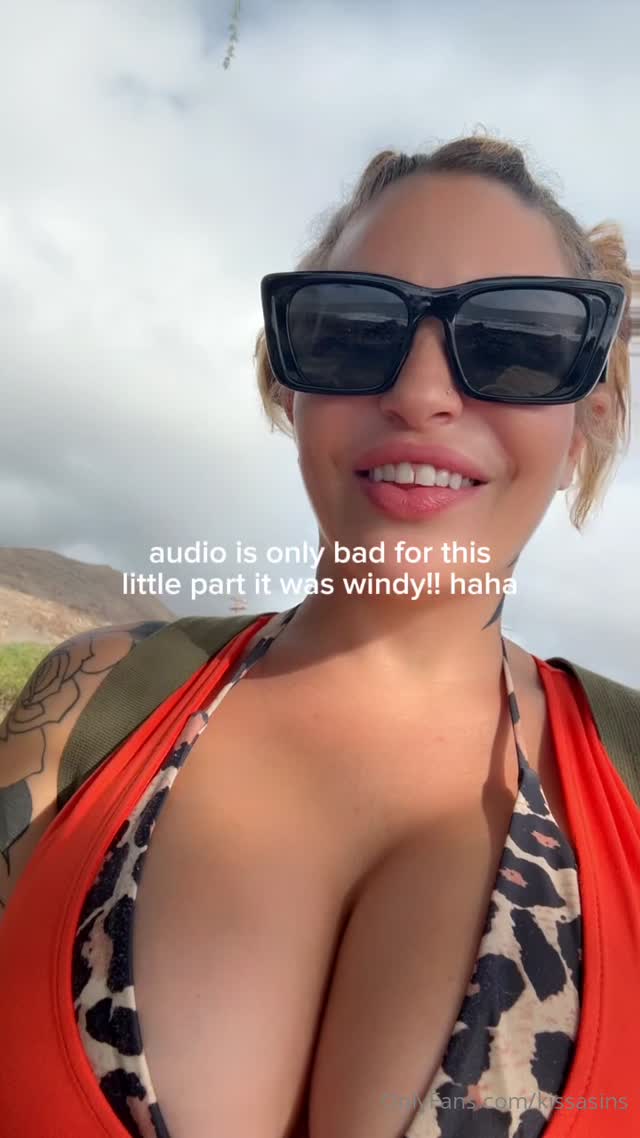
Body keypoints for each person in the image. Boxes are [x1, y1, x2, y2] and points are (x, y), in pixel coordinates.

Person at [0, 131, 637, 1138]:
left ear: (585, 420)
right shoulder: (92, 700)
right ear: (288, 384)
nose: (421, 394)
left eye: (517, 343)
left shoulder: (630, 773)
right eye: (351, 328)